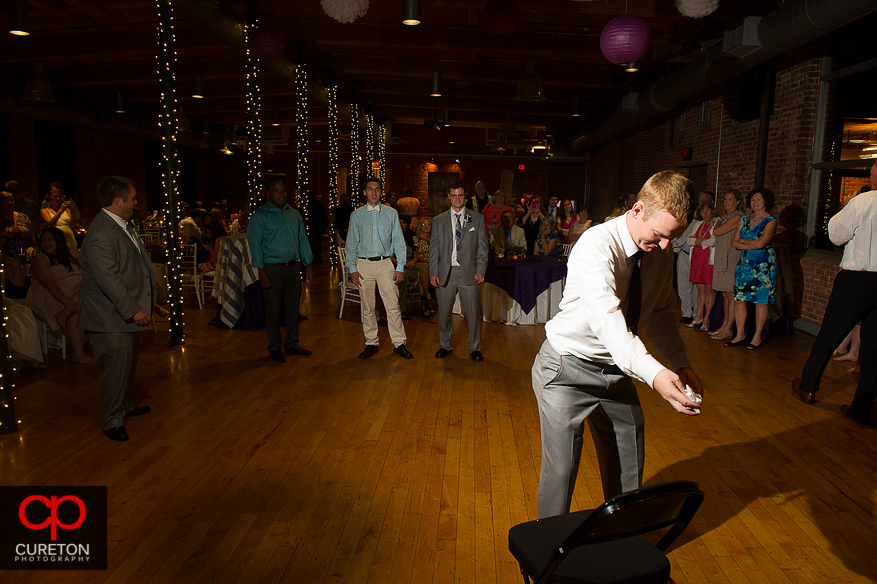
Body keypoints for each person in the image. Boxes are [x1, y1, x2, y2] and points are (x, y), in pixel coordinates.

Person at [531, 170, 703, 518]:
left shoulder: (659, 249)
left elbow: (660, 315)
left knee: (628, 472)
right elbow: (610, 325)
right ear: (638, 210)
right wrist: (656, 375)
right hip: (566, 369)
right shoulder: (595, 245)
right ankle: (546, 557)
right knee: (561, 473)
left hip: (617, 371)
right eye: (660, 234)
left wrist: (680, 362)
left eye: (674, 237)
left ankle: (623, 542)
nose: (666, 245)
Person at [792, 161, 877, 425]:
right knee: (875, 346)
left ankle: (808, 386)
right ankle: (863, 406)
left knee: (831, 333)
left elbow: (836, 235)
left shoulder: (864, 201)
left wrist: (847, 204)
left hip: (858, 279)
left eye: (872, 173)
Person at [78, 176, 156, 442]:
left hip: (125, 314)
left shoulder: (121, 225)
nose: (137, 203)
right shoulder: (100, 234)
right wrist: (134, 310)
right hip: (110, 317)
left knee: (127, 365)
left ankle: (126, 405)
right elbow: (108, 278)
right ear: (118, 201)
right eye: (133, 198)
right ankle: (113, 420)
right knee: (115, 369)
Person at [346, 177, 413, 360]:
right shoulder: (357, 215)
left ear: (381, 192)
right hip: (363, 264)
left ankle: (399, 343)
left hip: (385, 264)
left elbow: (399, 242)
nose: (374, 193)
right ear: (364, 192)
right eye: (370, 189)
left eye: (377, 189)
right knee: (368, 308)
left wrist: (399, 267)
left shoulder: (391, 214)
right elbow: (351, 245)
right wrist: (352, 268)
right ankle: (371, 343)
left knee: (392, 306)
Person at [248, 178, 313, 363]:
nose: (281, 194)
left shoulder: (294, 214)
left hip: (293, 268)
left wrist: (308, 265)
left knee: (293, 309)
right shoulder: (260, 216)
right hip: (272, 269)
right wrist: (262, 272)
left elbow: (303, 241)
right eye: (276, 190)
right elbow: (255, 246)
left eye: (283, 190)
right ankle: (275, 347)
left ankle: (292, 343)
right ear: (268, 193)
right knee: (273, 310)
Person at [430, 180, 489, 362]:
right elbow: (434, 249)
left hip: (469, 273)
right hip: (445, 273)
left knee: (472, 313)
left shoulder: (477, 219)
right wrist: (433, 272)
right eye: (454, 195)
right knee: (444, 314)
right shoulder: (438, 220)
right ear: (449, 196)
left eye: (460, 195)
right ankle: (445, 345)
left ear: (465, 196)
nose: (457, 199)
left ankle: (475, 347)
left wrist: (480, 270)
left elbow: (482, 248)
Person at [27, 227, 95, 364]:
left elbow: (87, 268)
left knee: (89, 286)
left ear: (58, 241)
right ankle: (78, 353)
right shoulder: (40, 259)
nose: (46, 243)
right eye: (44, 240)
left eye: (50, 240)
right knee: (79, 305)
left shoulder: (70, 253)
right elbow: (49, 283)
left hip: (73, 293)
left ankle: (65, 313)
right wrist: (66, 302)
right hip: (51, 295)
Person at [724, 188, 778, 350]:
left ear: (766, 202)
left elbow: (762, 243)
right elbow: (734, 243)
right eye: (753, 200)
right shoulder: (744, 219)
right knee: (739, 299)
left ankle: (757, 337)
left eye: (759, 200)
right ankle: (740, 334)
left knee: (761, 302)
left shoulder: (771, 220)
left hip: (764, 267)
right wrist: (752, 243)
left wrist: (744, 241)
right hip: (745, 265)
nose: (755, 203)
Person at [708, 189, 744, 341]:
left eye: (730, 199)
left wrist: (718, 221)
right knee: (725, 294)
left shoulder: (737, 217)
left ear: (737, 202)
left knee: (731, 294)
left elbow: (717, 231)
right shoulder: (726, 217)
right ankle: (724, 326)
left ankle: (729, 328)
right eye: (725, 199)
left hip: (731, 257)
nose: (727, 202)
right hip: (722, 256)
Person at [686, 201, 717, 331]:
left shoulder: (717, 223)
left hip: (709, 261)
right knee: (700, 290)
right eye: (702, 211)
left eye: (707, 211)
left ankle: (706, 318)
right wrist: (699, 241)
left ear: (712, 211)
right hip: (697, 259)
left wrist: (698, 241)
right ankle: (698, 316)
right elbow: (689, 240)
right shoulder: (698, 224)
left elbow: (713, 241)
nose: (705, 214)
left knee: (709, 290)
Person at [41, 184, 79, 251]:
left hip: (68, 236)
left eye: (59, 196)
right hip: (55, 237)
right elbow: (50, 224)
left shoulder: (67, 210)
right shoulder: (45, 211)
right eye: (55, 196)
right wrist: (60, 210)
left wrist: (71, 211)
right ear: (49, 197)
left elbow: (73, 224)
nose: (58, 199)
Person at [412, 217, 434, 318]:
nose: (426, 227)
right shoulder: (416, 238)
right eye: (424, 224)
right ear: (420, 227)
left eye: (428, 224)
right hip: (421, 262)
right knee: (425, 268)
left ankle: (426, 297)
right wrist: (427, 261)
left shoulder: (435, 238)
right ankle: (427, 296)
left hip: (434, 262)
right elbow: (416, 255)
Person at [303, 189, 329, 263]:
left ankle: (311, 258)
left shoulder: (306, 205)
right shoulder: (319, 203)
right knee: (317, 243)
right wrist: (325, 226)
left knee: (310, 243)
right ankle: (317, 257)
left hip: (310, 226)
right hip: (318, 227)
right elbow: (324, 215)